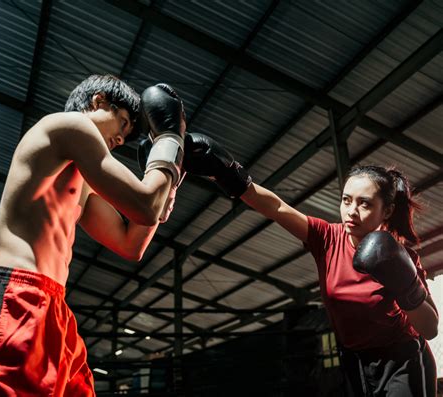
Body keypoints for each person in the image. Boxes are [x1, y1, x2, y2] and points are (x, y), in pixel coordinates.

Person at [0, 75, 186, 396]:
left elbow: (131, 243)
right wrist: (169, 141)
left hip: (53, 304)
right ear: (98, 102)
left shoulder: (82, 177)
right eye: (123, 123)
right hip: (18, 293)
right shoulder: (68, 126)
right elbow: (143, 204)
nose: (122, 139)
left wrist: (170, 179)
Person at [182, 133, 439, 396]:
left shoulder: (400, 256)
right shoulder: (327, 238)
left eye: (364, 204)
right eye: (346, 200)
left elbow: (430, 329)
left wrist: (404, 285)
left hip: (401, 360)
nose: (351, 211)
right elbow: (277, 208)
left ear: (386, 211)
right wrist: (227, 174)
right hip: (353, 361)